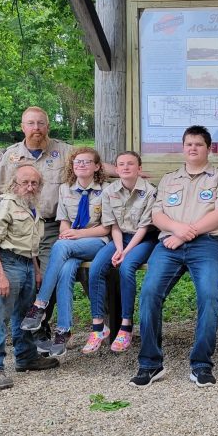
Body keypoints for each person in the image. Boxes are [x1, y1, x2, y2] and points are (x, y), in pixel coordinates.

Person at [0, 107, 72, 350]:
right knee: (23, 283)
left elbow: (91, 162)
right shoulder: (12, 156)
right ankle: (30, 339)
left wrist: (125, 169)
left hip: (51, 226)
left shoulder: (63, 151)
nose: (36, 128)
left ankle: (38, 329)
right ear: (23, 127)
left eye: (41, 123)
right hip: (18, 228)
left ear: (48, 126)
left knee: (46, 276)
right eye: (31, 123)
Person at [132, 126, 218, 388]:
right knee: (149, 294)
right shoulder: (169, 179)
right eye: (188, 144)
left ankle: (201, 365)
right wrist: (178, 232)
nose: (193, 148)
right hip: (169, 243)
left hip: (208, 244)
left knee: (209, 297)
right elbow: (157, 214)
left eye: (198, 144)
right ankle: (150, 364)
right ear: (183, 147)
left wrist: (184, 235)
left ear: (208, 149)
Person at [18, 147, 111, 357]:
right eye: (77, 162)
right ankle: (63, 330)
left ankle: (40, 304)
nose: (81, 165)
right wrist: (68, 234)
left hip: (98, 241)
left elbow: (107, 227)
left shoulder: (107, 190)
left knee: (60, 246)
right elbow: (64, 222)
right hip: (73, 244)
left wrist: (75, 236)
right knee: (66, 269)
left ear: (96, 167)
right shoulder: (65, 189)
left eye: (87, 162)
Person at [0, 165, 59, 389]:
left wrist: (36, 270)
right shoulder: (2, 203)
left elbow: (32, 245)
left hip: (27, 264)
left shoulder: (33, 207)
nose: (30, 187)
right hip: (7, 263)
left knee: (25, 315)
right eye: (25, 182)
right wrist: (0, 275)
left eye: (35, 183)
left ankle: (26, 357)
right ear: (14, 183)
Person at [82, 151, 158, 354]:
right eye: (121, 164)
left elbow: (143, 228)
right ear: (116, 169)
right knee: (97, 267)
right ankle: (98, 326)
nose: (125, 167)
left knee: (126, 267)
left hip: (143, 240)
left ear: (139, 168)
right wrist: (118, 248)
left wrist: (125, 252)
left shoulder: (150, 191)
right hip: (119, 239)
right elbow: (113, 225)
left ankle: (126, 325)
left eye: (130, 164)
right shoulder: (110, 191)